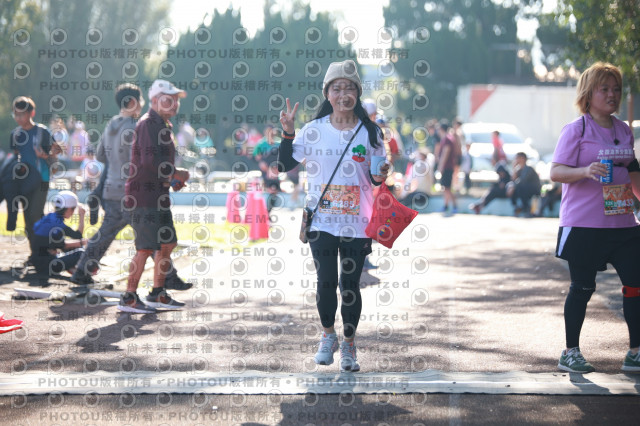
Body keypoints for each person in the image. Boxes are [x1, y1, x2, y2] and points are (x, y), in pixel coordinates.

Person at [277, 59, 389, 372]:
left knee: (349, 285)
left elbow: (376, 178)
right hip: (321, 221)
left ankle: (349, 344)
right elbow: (284, 165)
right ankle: (328, 336)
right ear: (327, 93)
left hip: (357, 224)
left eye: (349, 88)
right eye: (337, 88)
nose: (343, 94)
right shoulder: (313, 130)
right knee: (326, 282)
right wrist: (288, 133)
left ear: (357, 93)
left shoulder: (371, 133)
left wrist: (381, 172)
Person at [551, 62, 640, 373]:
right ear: (589, 94)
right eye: (605, 89)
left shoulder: (624, 130)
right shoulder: (576, 130)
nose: (612, 94)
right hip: (584, 224)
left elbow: (633, 170)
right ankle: (570, 352)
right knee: (583, 288)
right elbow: (555, 172)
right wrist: (585, 171)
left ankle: (635, 352)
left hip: (623, 223)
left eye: (616, 89)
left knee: (636, 284)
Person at [121, 80, 190, 314]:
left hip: (157, 194)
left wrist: (171, 179)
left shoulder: (162, 124)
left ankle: (157, 292)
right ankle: (129, 297)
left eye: (176, 99)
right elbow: (150, 162)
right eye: (169, 99)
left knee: (168, 242)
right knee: (145, 247)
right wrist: (177, 173)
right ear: (154, 100)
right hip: (143, 196)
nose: (175, 103)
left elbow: (157, 163)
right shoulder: (148, 123)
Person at [10, 96, 61, 262]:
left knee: (35, 215)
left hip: (42, 179)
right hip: (23, 181)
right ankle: (35, 253)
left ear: (31, 113)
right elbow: (16, 155)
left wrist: (45, 155)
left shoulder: (41, 132)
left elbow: (57, 150)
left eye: (22, 114)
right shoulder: (15, 134)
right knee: (27, 217)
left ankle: (43, 251)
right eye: (16, 114)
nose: (18, 118)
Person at [31, 191, 86, 276]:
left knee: (73, 246)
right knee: (81, 252)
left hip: (38, 262)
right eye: (73, 209)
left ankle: (72, 269)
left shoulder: (49, 217)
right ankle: (77, 271)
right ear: (69, 209)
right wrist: (82, 216)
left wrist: (51, 248)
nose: (73, 212)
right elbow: (78, 236)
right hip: (48, 265)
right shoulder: (58, 223)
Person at [508, 152, 541, 217]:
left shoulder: (529, 169)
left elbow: (523, 181)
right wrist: (514, 168)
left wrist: (513, 186)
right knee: (511, 187)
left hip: (535, 190)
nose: (516, 160)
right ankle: (517, 207)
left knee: (520, 187)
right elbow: (513, 180)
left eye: (517, 158)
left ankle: (526, 209)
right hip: (524, 189)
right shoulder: (519, 169)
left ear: (523, 159)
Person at [436, 120, 458, 213]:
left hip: (447, 167)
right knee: (446, 188)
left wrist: (441, 166)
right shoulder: (447, 138)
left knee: (447, 187)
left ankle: (451, 206)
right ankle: (447, 205)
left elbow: (446, 153)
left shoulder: (447, 139)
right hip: (448, 166)